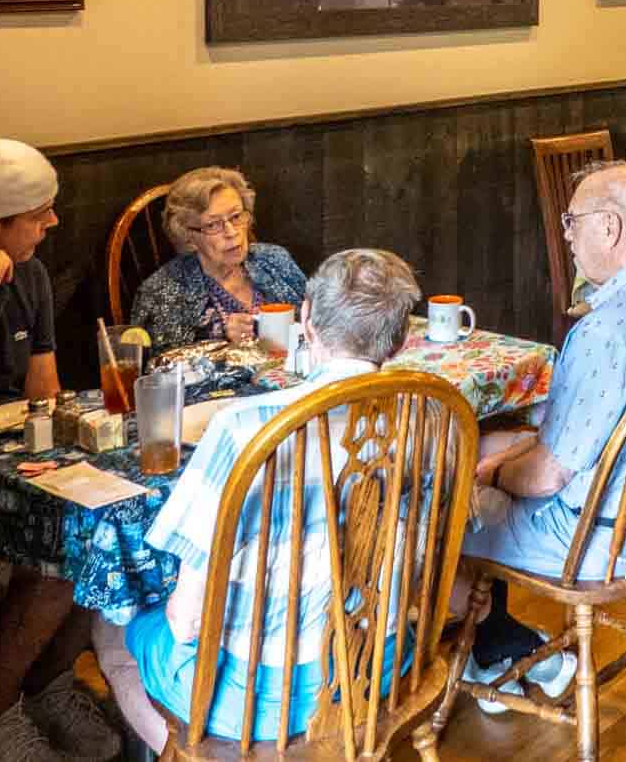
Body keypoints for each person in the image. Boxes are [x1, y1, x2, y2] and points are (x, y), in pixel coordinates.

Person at [93, 248, 422, 753]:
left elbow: (187, 618)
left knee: (113, 630)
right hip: (374, 669)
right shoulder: (426, 414)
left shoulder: (245, 426)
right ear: (400, 341)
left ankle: (189, 752)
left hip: (253, 700)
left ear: (305, 319)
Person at [459, 161, 626, 711]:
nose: (567, 235)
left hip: (593, 539)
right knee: (487, 447)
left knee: (436, 505)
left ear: (609, 228)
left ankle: (499, 650)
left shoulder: (606, 330)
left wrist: (491, 474)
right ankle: (500, 645)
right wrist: (503, 452)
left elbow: (547, 474)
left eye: (572, 221)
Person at [0, 140, 117, 762]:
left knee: (111, 538)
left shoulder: (29, 274)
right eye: (38, 213)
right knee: (64, 556)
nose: (53, 223)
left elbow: (44, 390)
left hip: (16, 466)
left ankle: (43, 686)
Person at [129, 166, 307, 351]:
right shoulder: (161, 292)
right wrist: (223, 344)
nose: (231, 232)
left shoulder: (275, 259)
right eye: (212, 225)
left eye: (236, 216)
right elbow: (159, 372)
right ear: (188, 235)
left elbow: (319, 322)